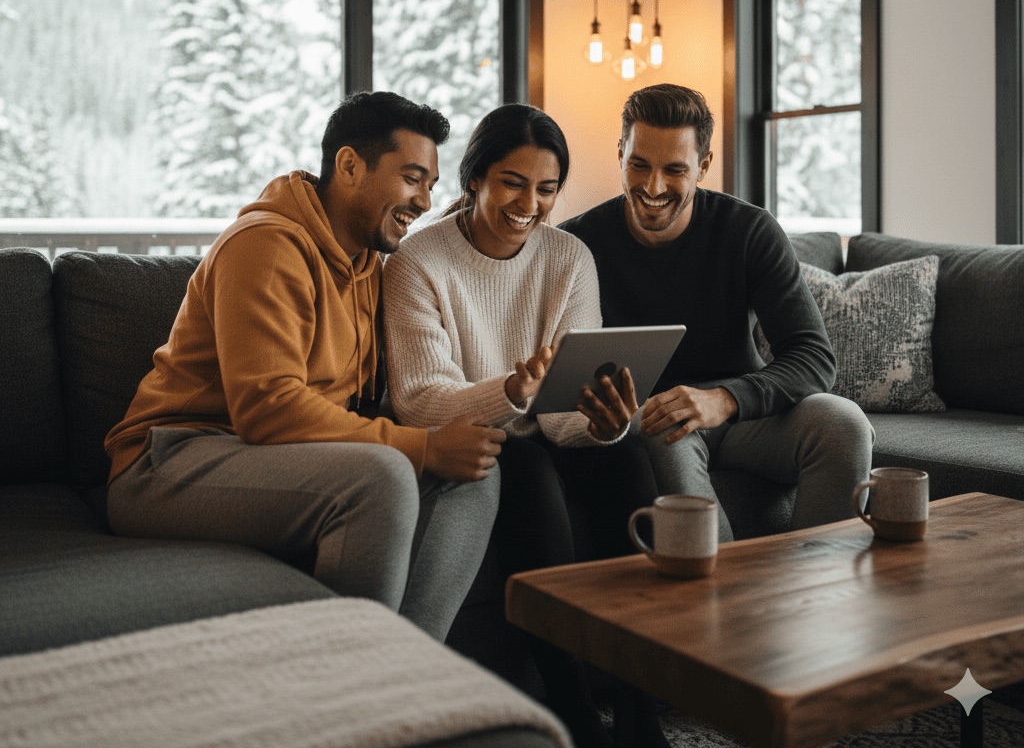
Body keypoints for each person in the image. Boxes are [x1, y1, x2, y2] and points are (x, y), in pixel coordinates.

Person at [104, 91, 505, 642]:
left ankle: (402, 677)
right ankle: (358, 689)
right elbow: (267, 410)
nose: (424, 201)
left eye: (432, 186)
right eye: (412, 178)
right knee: (385, 475)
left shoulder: (368, 261)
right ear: (348, 166)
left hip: (269, 456)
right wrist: (423, 447)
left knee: (474, 476)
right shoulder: (265, 246)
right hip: (170, 460)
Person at [382, 103, 661, 748]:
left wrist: (604, 422)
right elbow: (420, 401)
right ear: (474, 177)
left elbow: (563, 419)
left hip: (550, 430)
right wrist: (510, 390)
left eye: (547, 189)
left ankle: (641, 713)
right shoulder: (417, 264)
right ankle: (576, 718)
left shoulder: (569, 259)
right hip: (487, 437)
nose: (529, 204)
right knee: (526, 468)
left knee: (630, 460)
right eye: (512, 183)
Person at [560, 83, 874, 543]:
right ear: (620, 154)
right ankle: (721, 604)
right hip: (655, 421)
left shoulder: (749, 231)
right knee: (664, 431)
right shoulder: (578, 244)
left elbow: (812, 356)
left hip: (743, 416)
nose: (653, 186)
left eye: (675, 170)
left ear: (704, 166)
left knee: (844, 424)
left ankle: (822, 586)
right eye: (639, 164)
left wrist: (724, 398)